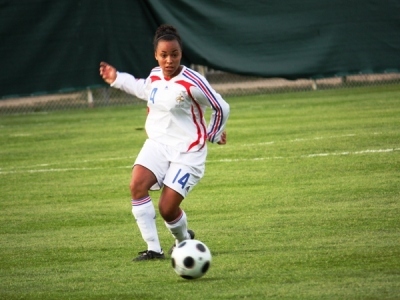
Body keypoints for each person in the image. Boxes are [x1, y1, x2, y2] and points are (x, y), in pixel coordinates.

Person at [99, 24, 230, 261]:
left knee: (167, 208)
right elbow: (143, 89)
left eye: (174, 54)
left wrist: (212, 133)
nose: (169, 60)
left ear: (181, 54)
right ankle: (153, 249)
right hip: (157, 145)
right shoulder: (155, 75)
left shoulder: (193, 81)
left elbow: (221, 107)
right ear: (156, 55)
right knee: (137, 185)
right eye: (164, 55)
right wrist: (117, 79)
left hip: (187, 152)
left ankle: (183, 242)